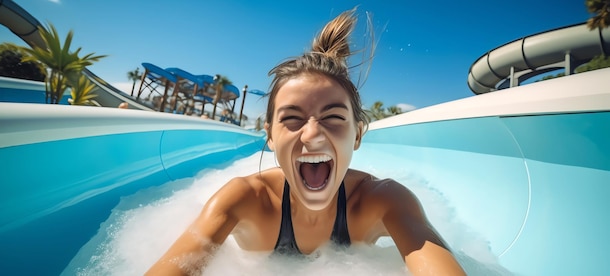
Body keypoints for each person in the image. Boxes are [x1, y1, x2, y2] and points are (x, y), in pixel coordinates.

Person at [147, 8, 465, 276]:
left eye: (333, 117)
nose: (312, 135)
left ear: (357, 135)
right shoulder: (243, 200)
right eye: (293, 118)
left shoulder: (384, 202)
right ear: (270, 135)